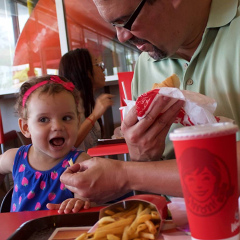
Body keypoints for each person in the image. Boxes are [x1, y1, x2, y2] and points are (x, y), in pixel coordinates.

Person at [60, 0, 240, 203]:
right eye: (114, 25)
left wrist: (127, 174)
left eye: (126, 20)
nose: (121, 36)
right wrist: (141, 157)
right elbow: (153, 197)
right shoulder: (145, 63)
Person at [0, 75, 91, 213]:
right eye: (43, 119)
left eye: (66, 118)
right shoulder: (14, 158)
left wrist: (79, 202)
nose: (57, 126)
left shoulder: (80, 164)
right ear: (25, 128)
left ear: (78, 122)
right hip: (19, 233)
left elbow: (85, 202)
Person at [59, 48, 114, 151]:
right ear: (86, 72)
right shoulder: (69, 106)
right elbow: (67, 147)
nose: (103, 69)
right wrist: (94, 116)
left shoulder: (86, 101)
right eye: (98, 65)